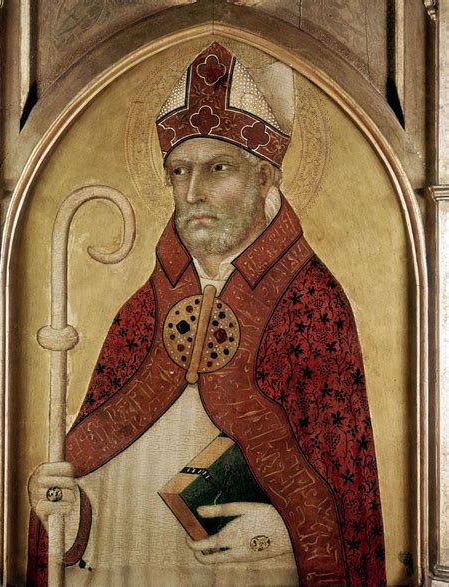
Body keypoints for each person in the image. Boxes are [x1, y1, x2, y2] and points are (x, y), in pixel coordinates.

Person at [27, 42, 386, 587]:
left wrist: (277, 534)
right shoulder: (143, 313)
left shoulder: (312, 306)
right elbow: (100, 503)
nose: (192, 192)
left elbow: (343, 501)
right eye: (179, 171)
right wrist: (71, 513)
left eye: (218, 168)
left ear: (265, 178)